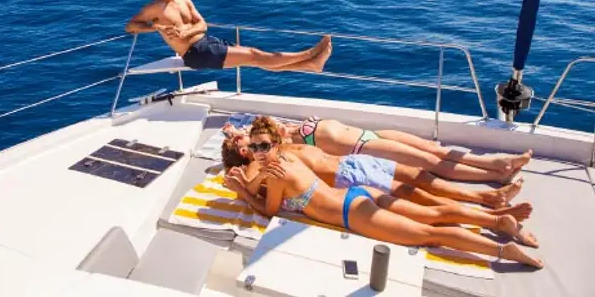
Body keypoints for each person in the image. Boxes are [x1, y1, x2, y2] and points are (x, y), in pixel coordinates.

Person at [223, 116, 544, 269]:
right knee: (433, 210)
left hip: (353, 210)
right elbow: (262, 187)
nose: (255, 149)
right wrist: (245, 180)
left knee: (430, 231)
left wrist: (242, 188)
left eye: (257, 144)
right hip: (357, 194)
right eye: (251, 146)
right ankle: (497, 221)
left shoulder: (271, 169)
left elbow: (270, 210)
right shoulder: (282, 158)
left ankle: (501, 246)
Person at [221, 127, 529, 215]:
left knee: (417, 176)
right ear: (243, 152)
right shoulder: (253, 165)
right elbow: (248, 186)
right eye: (239, 139)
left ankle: (485, 196)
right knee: (413, 194)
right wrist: (242, 188)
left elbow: (267, 129)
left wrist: (235, 132)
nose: (241, 135)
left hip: (354, 163)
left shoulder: (267, 145)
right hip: (346, 177)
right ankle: (486, 203)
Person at [125, 0, 333, 72]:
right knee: (254, 55)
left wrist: (187, 30)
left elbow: (202, 24)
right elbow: (131, 26)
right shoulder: (154, 8)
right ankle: (309, 54)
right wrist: (157, 28)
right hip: (195, 54)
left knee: (256, 59)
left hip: (207, 42)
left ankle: (310, 65)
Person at [223, 115, 531, 183]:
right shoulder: (273, 146)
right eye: (244, 145)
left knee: (429, 146)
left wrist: (235, 131)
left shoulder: (266, 129)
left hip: (370, 132)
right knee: (428, 160)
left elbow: (249, 124)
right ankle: (495, 168)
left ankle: (493, 164)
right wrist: (244, 152)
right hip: (363, 145)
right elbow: (257, 167)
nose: (245, 139)